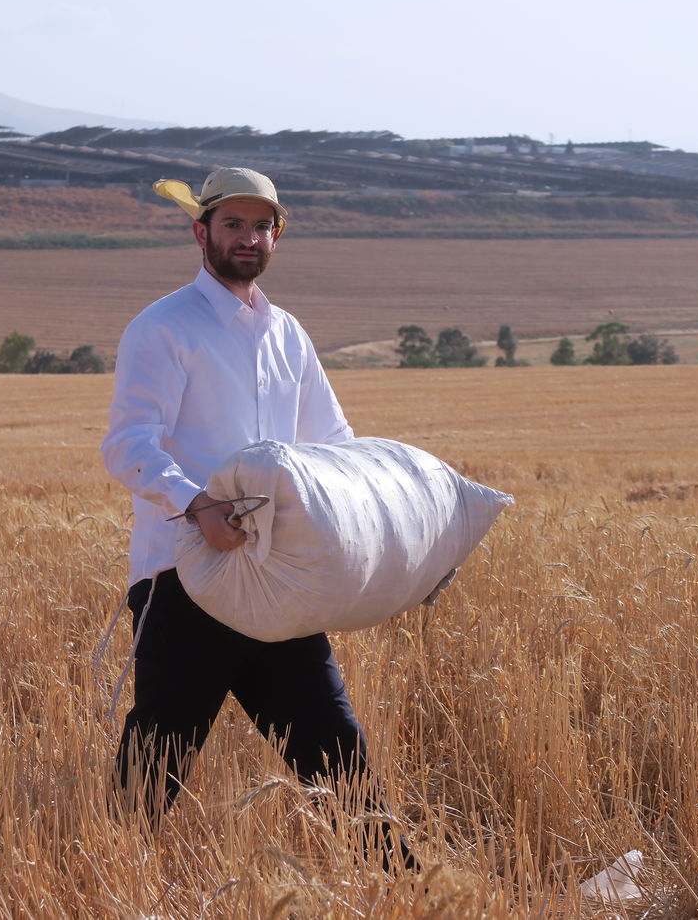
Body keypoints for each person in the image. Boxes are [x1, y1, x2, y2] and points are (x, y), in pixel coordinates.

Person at [100, 166, 417, 869]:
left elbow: (331, 445)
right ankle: (98, 883)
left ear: (279, 234)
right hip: (183, 577)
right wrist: (198, 504)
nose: (248, 237)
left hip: (276, 581)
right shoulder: (163, 327)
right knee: (158, 757)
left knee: (335, 746)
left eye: (261, 225)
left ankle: (405, 891)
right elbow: (127, 444)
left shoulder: (289, 334)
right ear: (200, 232)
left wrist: (385, 526)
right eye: (233, 224)